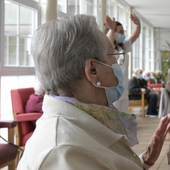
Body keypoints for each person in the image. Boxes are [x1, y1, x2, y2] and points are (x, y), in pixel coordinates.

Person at [17, 14, 170, 170]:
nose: (117, 65)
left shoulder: (85, 121)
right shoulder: (64, 154)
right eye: (114, 57)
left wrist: (143, 163)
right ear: (93, 70)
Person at [105, 14, 141, 113]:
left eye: (123, 31)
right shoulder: (108, 47)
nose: (123, 34)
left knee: (123, 122)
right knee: (113, 121)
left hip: (124, 91)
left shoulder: (123, 46)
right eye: (120, 32)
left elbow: (135, 36)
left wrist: (138, 24)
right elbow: (108, 43)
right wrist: (111, 29)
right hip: (113, 90)